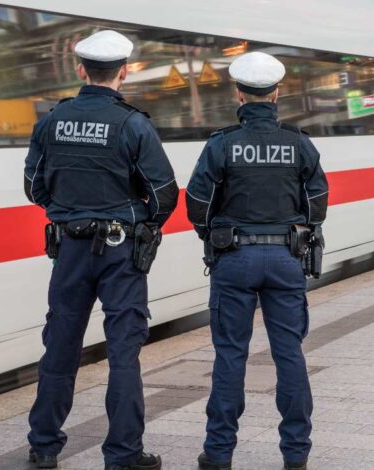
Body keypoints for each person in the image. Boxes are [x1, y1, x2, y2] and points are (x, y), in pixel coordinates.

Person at [23, 30, 178, 470]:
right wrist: (140, 224)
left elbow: (34, 186)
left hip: (69, 249)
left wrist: (65, 213)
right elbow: (164, 193)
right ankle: (124, 454)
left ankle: (45, 445)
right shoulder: (133, 124)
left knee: (61, 345)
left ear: (80, 70)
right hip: (120, 251)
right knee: (123, 352)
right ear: (124, 72)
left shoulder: (53, 120)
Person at [186, 51, 328, 470]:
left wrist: (215, 235)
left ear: (239, 93)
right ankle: (296, 453)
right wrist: (298, 227)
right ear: (277, 93)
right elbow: (318, 199)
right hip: (286, 257)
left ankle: (218, 452)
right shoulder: (298, 143)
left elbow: (197, 201)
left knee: (231, 354)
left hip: (234, 259)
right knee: (290, 354)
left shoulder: (222, 143)